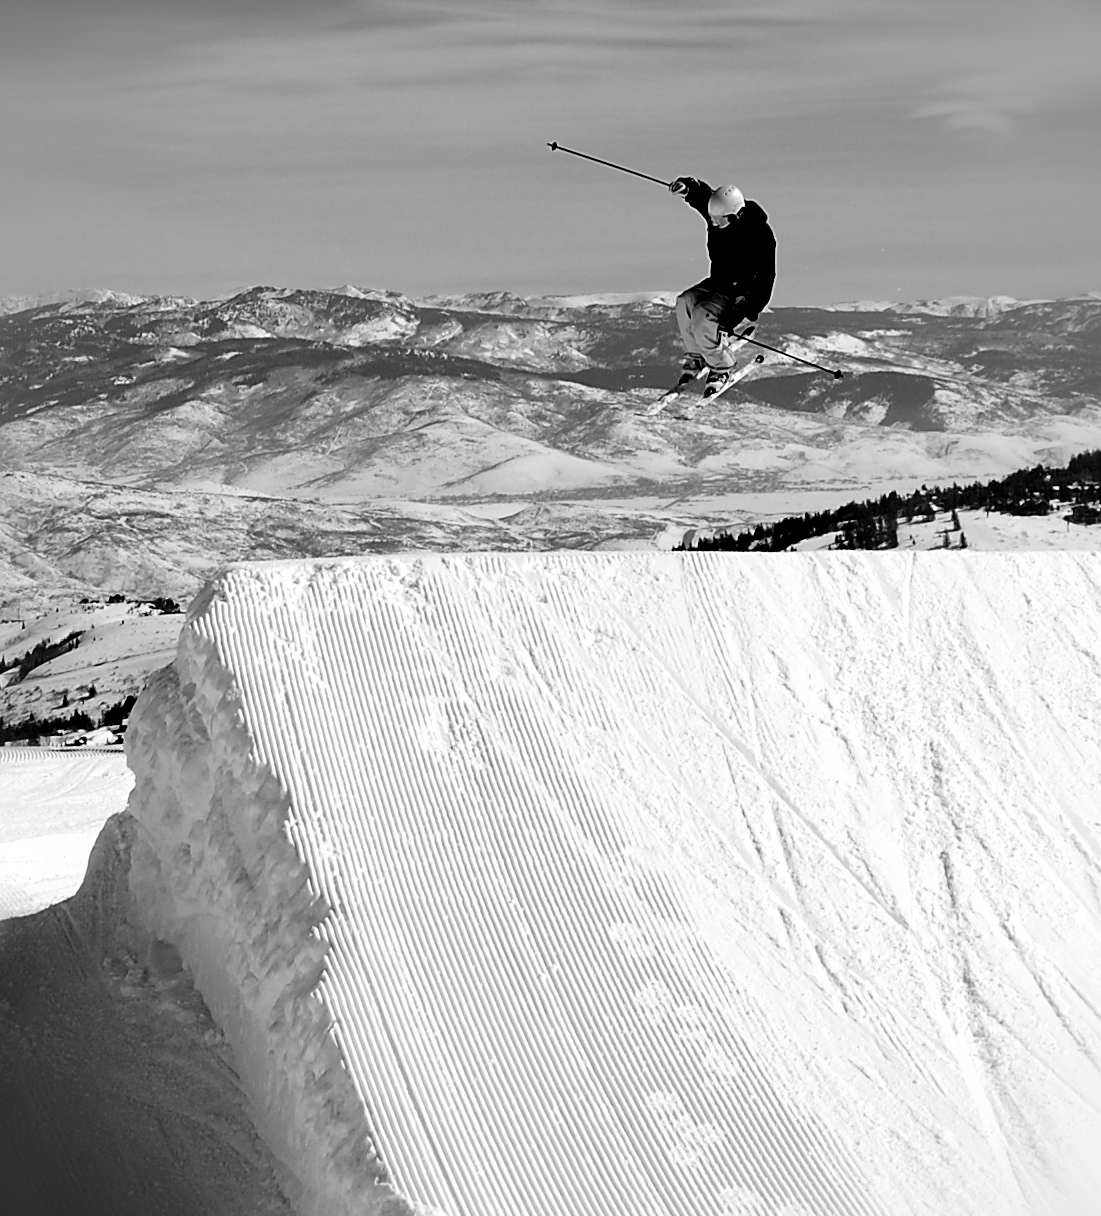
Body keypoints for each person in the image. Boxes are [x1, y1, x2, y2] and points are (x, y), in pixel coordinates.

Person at [668, 176, 776, 395]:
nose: (715, 225)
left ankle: (722, 366)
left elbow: (766, 277)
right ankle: (697, 355)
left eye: (720, 221)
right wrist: (687, 188)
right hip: (718, 281)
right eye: (712, 219)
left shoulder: (760, 235)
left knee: (702, 314)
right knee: (684, 302)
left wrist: (745, 308)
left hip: (740, 292)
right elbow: (702, 196)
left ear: (736, 217)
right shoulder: (719, 216)